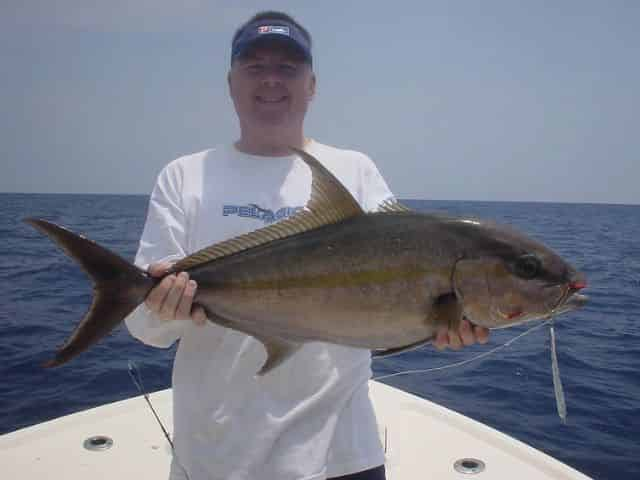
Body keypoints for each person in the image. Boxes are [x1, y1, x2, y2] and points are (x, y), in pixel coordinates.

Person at [125, 11, 489, 480]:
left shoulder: (355, 172)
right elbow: (144, 329)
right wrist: (163, 307)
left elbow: (399, 288)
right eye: (255, 66)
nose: (272, 79)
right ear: (230, 82)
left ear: (312, 84)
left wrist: (441, 323)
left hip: (341, 455)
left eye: (288, 67)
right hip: (215, 457)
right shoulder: (185, 177)